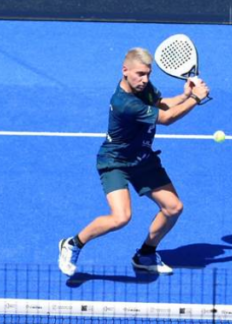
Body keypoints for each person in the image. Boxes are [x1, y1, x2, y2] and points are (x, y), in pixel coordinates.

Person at [58, 48, 210, 277]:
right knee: (121, 217)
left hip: (142, 158)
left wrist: (185, 95)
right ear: (125, 70)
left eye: (148, 74)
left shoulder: (143, 87)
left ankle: (146, 254)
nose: (145, 79)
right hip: (115, 161)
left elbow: (160, 105)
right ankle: (73, 244)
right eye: (140, 74)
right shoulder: (123, 102)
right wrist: (197, 99)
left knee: (173, 208)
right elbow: (166, 119)